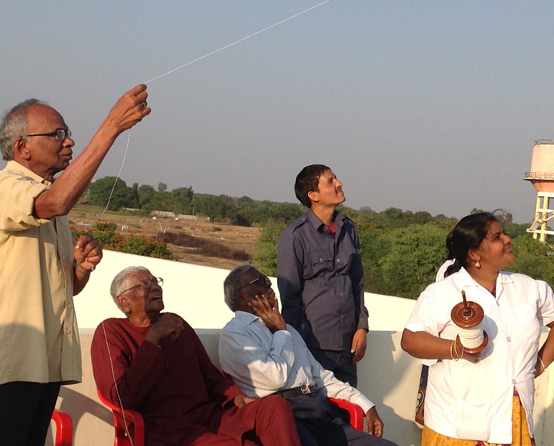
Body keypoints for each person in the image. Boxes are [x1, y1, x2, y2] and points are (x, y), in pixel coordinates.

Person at [0, 84, 151, 446]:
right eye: (58, 134)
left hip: (39, 365)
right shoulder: (3, 186)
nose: (68, 142)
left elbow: (66, 288)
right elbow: (57, 201)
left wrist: (80, 269)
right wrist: (111, 126)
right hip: (8, 365)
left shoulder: (45, 197)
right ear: (22, 147)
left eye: (67, 134)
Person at [401, 212, 554, 445]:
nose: (508, 239)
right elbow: (410, 340)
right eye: (497, 237)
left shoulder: (528, 287)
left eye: (504, 233)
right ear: (474, 254)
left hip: (513, 421)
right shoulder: (443, 292)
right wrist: (457, 349)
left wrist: (539, 364)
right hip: (454, 426)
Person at [91, 266, 301, 446]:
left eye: (156, 281)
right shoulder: (111, 331)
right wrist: (152, 339)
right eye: (145, 284)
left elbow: (210, 374)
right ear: (124, 302)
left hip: (209, 415)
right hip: (166, 427)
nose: (155, 286)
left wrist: (234, 395)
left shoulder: (175, 323)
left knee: (275, 407)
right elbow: (120, 397)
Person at [220, 264, 398, 446]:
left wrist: (366, 405)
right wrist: (280, 332)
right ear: (241, 296)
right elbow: (275, 378)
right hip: (287, 419)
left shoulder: (288, 330)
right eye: (260, 281)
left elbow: (321, 378)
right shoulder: (236, 334)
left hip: (321, 413)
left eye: (267, 280)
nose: (269, 285)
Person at [277, 164, 368, 387]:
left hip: (348, 347)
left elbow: (357, 283)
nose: (339, 184)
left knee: (349, 412)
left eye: (336, 179)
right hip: (313, 348)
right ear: (313, 195)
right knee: (318, 413)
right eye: (330, 181)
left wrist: (362, 327)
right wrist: (297, 349)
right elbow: (290, 298)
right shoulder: (294, 237)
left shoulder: (349, 229)